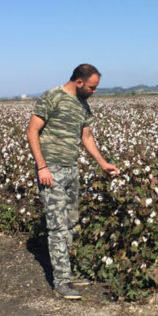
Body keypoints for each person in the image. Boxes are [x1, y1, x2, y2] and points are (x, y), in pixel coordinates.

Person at [26, 63, 119, 300]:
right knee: (57, 226)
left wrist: (102, 162)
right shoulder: (52, 97)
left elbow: (86, 136)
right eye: (92, 87)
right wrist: (42, 167)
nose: (94, 91)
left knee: (71, 222)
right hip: (51, 170)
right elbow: (32, 131)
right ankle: (62, 282)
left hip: (70, 169)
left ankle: (69, 271)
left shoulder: (83, 105)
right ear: (79, 82)